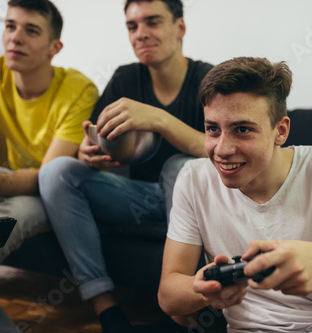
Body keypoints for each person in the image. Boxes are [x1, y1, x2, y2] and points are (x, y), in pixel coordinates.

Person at [158, 57, 312, 332]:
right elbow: (168, 295)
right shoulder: (194, 178)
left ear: (280, 131)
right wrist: (204, 290)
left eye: (242, 130)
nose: (222, 149)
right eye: (213, 129)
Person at [38, 0, 212, 332]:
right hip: (142, 199)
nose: (141, 34)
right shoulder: (125, 79)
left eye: (152, 22)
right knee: (56, 171)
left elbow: (223, 150)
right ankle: (107, 311)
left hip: (197, 204)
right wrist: (86, 155)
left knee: (178, 166)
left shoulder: (208, 79)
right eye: (132, 26)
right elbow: (92, 143)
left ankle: (183, 314)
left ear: (180, 28)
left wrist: (160, 119)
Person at [0, 0, 98, 277]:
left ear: (54, 48)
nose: (15, 37)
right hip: (14, 175)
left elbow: (47, 179)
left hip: (56, 191)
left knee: (19, 212)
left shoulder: (79, 90)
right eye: (10, 26)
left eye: (31, 31)